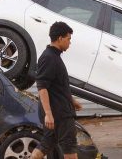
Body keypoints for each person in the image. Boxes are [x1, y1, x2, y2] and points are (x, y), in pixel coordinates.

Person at [31, 21, 82, 159]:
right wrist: (48, 114)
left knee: (46, 143)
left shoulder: (53, 56)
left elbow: (58, 87)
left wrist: (72, 101)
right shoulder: (49, 58)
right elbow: (42, 87)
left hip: (56, 114)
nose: (69, 43)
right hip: (60, 116)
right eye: (68, 39)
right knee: (69, 148)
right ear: (60, 38)